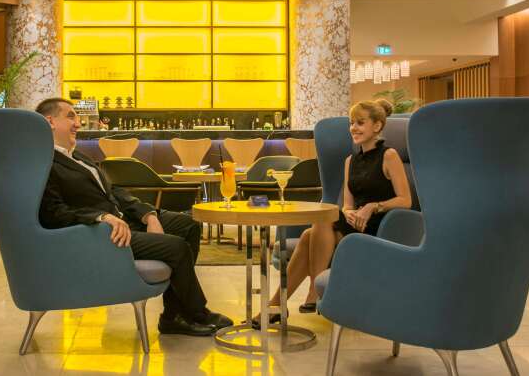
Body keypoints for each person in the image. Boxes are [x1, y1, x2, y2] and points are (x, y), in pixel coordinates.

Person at [36, 97, 232, 336]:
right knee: (177, 247)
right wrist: (101, 217)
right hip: (100, 233)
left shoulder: (79, 157)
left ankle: (174, 315)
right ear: (50, 121)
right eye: (70, 116)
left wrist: (148, 214)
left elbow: (113, 192)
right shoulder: (44, 162)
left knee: (188, 225)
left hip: (125, 220)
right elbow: (53, 212)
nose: (78, 123)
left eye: (77, 116)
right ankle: (196, 313)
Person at [254, 99, 412, 327]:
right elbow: (347, 204)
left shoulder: (390, 156)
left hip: (379, 226)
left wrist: (373, 206)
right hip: (353, 225)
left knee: (317, 226)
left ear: (377, 126)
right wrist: (348, 213)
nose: (353, 128)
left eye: (360, 123)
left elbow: (405, 200)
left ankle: (309, 293)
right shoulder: (350, 161)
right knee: (313, 230)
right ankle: (283, 303)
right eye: (351, 123)